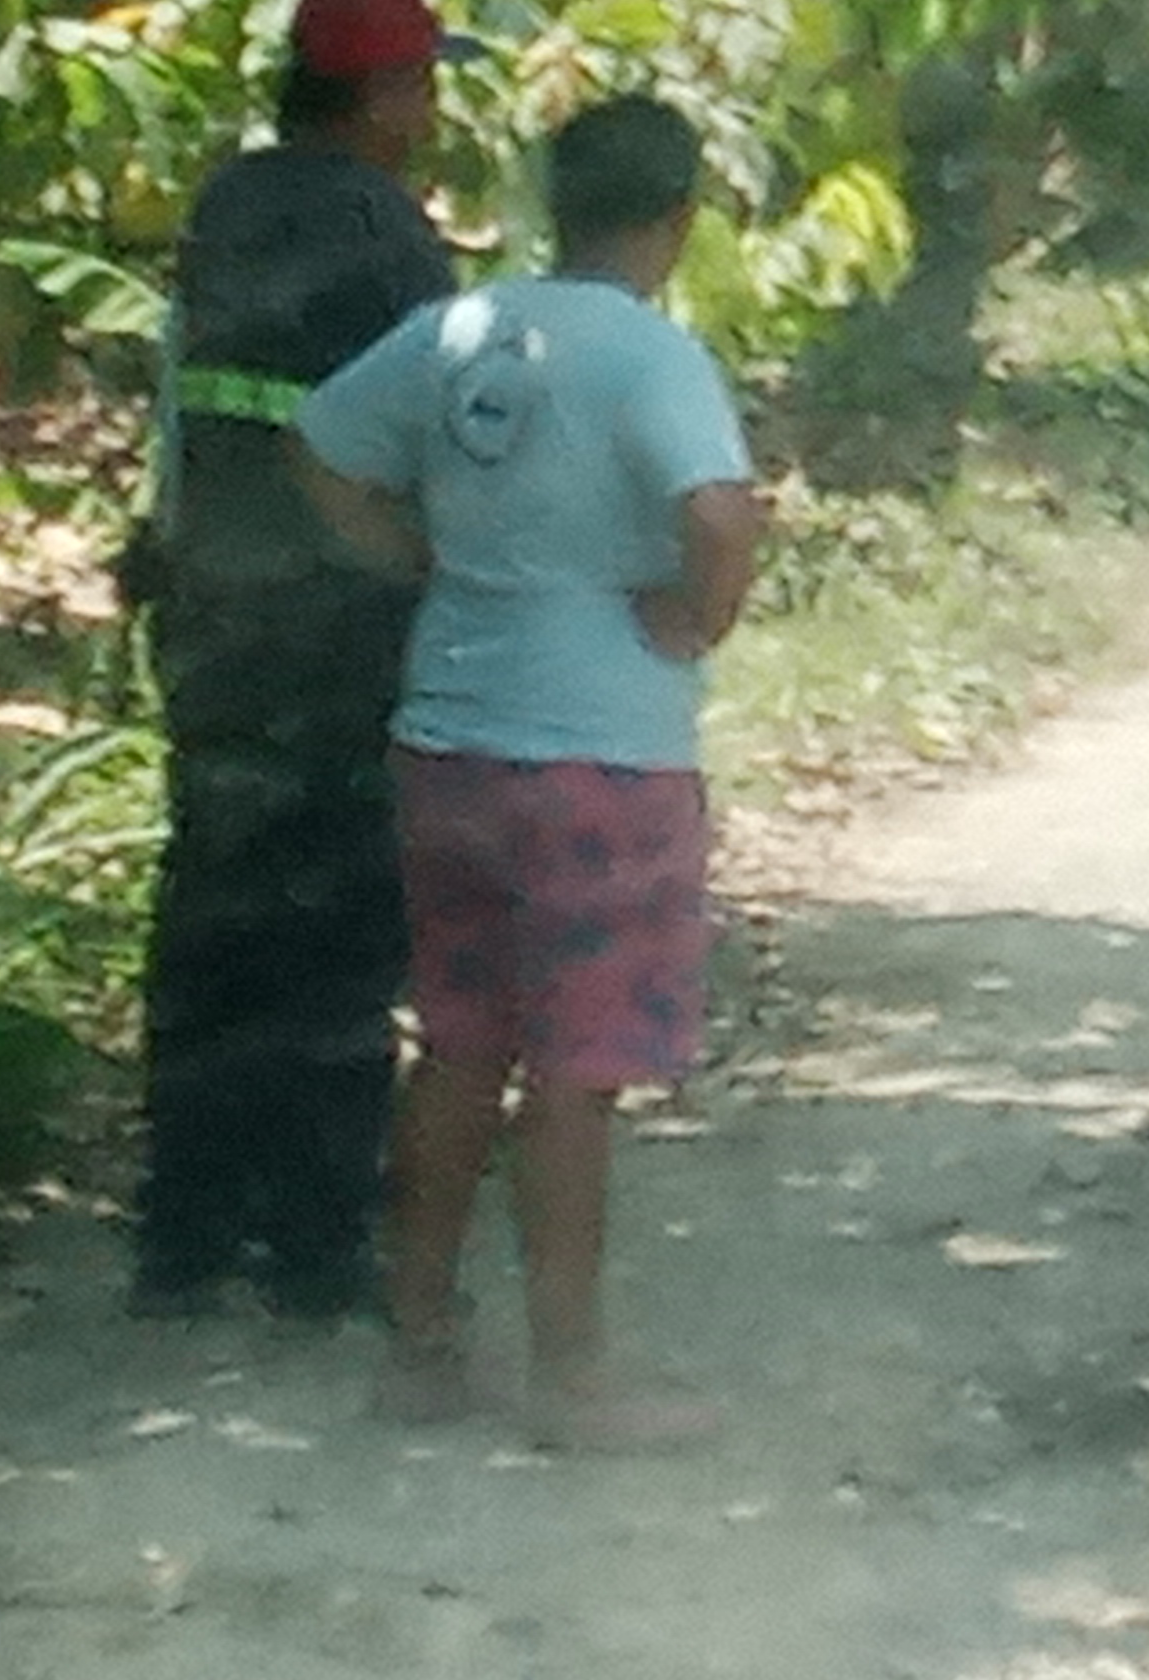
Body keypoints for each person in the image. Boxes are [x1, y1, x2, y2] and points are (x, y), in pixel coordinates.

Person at [295, 95, 765, 1446]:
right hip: (601, 752)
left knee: (458, 1042)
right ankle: (571, 1377)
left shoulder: (465, 327)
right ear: (678, 219)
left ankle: (422, 1348)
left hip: (450, 734)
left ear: (555, 203)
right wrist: (696, 616)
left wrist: (418, 557)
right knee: (577, 1064)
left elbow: (321, 447)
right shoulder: (652, 353)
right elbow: (719, 511)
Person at [130, 0, 470, 1320]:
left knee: (210, 914)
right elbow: (426, 440)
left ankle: (183, 1235)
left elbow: (178, 405)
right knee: (337, 931)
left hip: (213, 620)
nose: (430, 112)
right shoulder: (393, 236)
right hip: (341, 635)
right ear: (382, 92)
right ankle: (317, 1246)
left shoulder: (225, 208)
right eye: (423, 84)